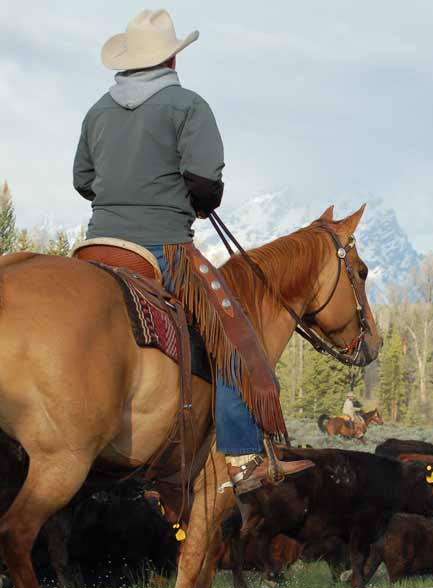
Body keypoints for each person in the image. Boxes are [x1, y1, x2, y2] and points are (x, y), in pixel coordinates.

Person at [72, 9, 313, 493]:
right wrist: (189, 197)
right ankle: (243, 455)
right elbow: (206, 186)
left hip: (96, 246)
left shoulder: (98, 109)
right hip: (163, 247)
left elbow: (82, 181)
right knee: (234, 334)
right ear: (172, 57)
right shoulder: (187, 106)